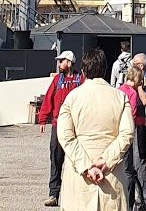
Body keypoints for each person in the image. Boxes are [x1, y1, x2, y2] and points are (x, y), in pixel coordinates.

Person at [56, 46, 133, 211]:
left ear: (83, 71)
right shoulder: (121, 97)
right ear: (105, 70)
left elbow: (65, 136)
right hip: (111, 176)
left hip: (79, 177)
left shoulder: (72, 98)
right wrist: (106, 161)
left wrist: (86, 166)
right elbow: (127, 134)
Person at [38, 50, 83, 206]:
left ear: (69, 63)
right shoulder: (57, 80)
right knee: (56, 159)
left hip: (76, 126)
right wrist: (43, 119)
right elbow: (48, 98)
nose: (58, 64)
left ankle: (76, 194)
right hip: (58, 125)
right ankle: (53, 194)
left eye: (61, 61)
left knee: (76, 160)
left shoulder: (81, 79)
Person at [118, 52, 146, 211]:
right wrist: (142, 120)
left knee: (131, 168)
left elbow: (145, 100)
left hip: (128, 133)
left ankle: (133, 202)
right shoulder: (130, 92)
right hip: (132, 131)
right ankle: (137, 202)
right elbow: (131, 114)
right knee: (133, 168)